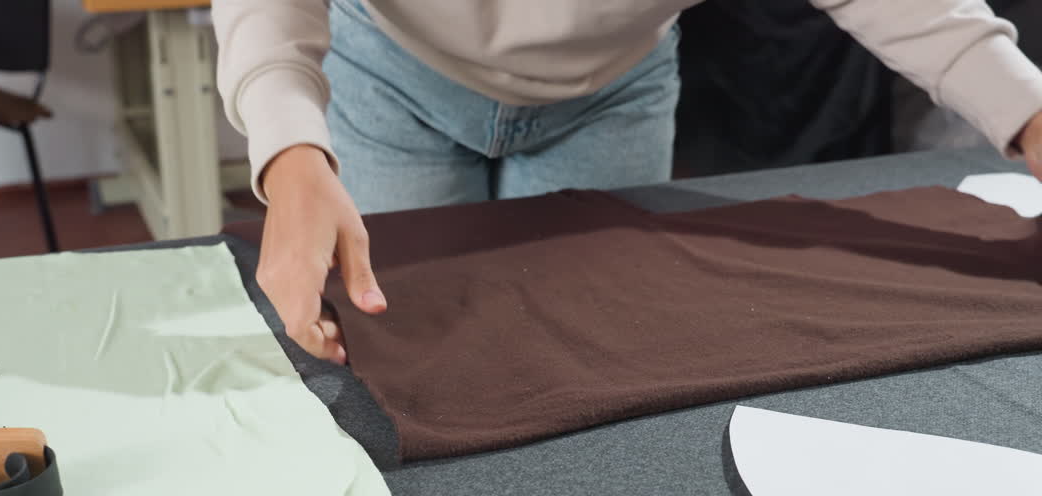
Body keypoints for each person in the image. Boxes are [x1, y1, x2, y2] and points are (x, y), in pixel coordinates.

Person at [214, 0, 1042, 364]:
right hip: (392, 81)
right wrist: (291, 157)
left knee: (598, 346)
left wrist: (1030, 113)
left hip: (612, 92)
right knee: (403, 351)